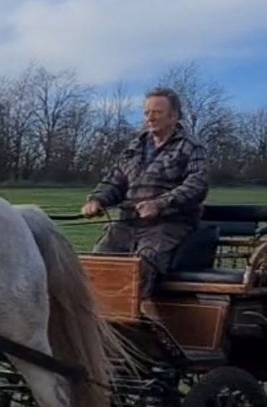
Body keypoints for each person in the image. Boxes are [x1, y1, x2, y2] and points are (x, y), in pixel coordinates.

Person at [82, 87, 209, 295]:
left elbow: (197, 184)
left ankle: (137, 320)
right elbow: (115, 181)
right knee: (100, 262)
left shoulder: (191, 146)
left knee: (144, 262)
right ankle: (101, 318)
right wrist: (97, 200)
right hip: (127, 223)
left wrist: (160, 204)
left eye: (157, 112)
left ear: (174, 116)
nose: (150, 118)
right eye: (147, 113)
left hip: (169, 224)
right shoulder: (134, 147)